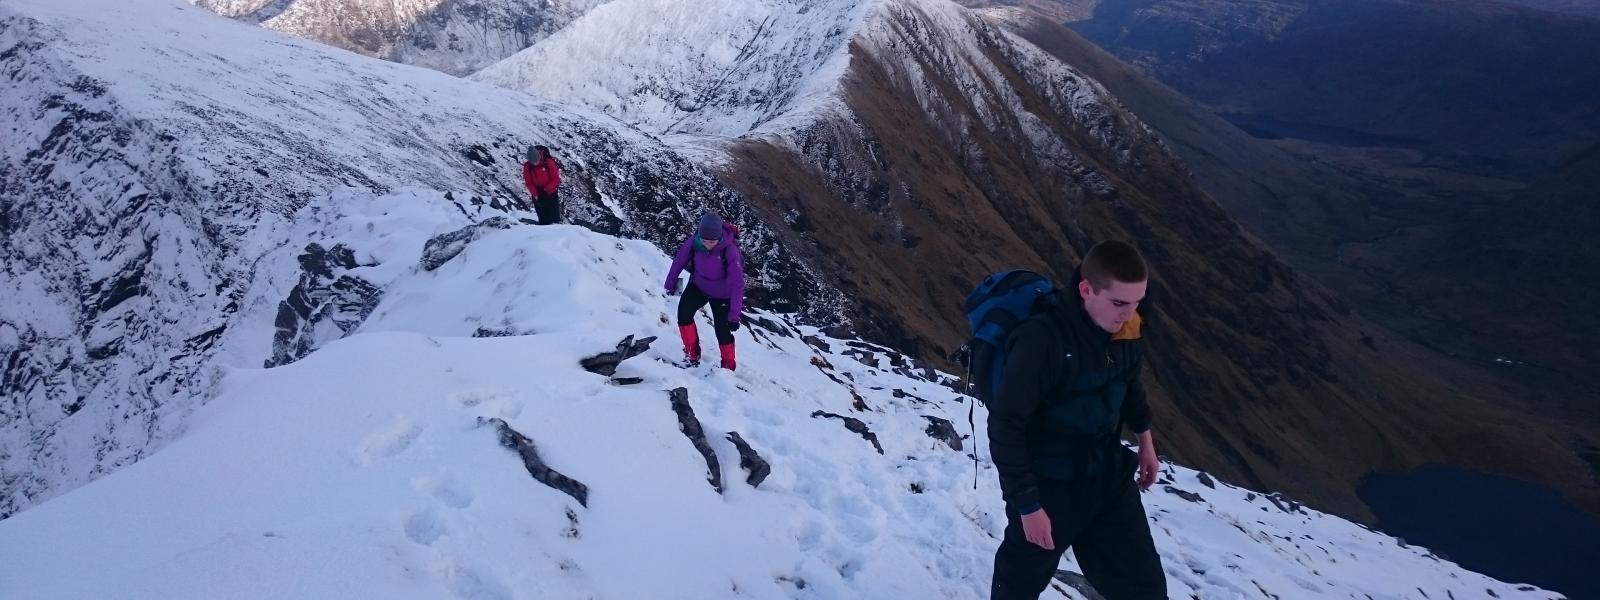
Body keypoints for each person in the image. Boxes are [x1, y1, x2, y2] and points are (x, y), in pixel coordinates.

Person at [988, 240, 1167, 599]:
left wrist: (1145, 439)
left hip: (1107, 476)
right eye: (1120, 302)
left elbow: (1128, 381)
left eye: (1137, 301)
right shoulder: (1042, 341)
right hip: (1049, 484)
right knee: (1019, 584)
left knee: (1144, 588)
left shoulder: (1126, 328)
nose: (1129, 313)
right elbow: (1007, 425)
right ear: (1086, 290)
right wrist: (1029, 506)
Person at [663, 212, 744, 370]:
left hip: (723, 294)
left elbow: (738, 283)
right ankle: (692, 353)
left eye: (712, 241)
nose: (708, 244)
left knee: (722, 330)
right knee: (684, 314)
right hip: (699, 285)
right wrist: (670, 283)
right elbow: (680, 260)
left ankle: (728, 367)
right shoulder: (694, 242)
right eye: (705, 240)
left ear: (719, 237)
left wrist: (734, 316)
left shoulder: (730, 250)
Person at [522, 145, 562, 224]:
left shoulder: (548, 162)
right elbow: (528, 182)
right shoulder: (527, 166)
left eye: (536, 161)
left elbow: (556, 179)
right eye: (532, 162)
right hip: (537, 195)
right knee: (543, 220)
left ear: (539, 156)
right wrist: (536, 194)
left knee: (554, 220)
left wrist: (545, 190)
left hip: (551, 193)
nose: (535, 163)